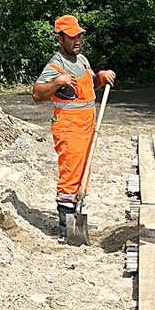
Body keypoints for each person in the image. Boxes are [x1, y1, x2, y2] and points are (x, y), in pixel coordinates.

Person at [32, 15, 116, 243]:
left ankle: (75, 212)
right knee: (70, 174)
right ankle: (65, 227)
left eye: (79, 35)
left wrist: (100, 77)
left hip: (87, 124)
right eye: (72, 37)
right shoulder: (55, 66)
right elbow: (38, 94)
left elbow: (90, 86)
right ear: (60, 39)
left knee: (82, 174)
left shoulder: (83, 61)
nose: (77, 40)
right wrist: (57, 83)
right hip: (69, 127)